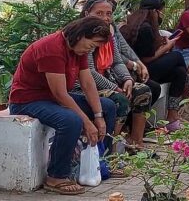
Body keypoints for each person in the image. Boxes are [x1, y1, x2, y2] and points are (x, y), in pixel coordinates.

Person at [8, 17, 118, 195]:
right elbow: (60, 94)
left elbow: (88, 83)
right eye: (92, 44)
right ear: (81, 35)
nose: (92, 49)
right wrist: (87, 123)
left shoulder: (77, 49)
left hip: (51, 98)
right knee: (71, 120)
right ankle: (56, 176)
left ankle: (101, 163)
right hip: (27, 101)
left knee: (108, 107)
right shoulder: (51, 48)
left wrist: (98, 116)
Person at [79, 0, 154, 151]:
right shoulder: (83, 35)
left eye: (108, 14)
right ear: (87, 13)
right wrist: (114, 87)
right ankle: (111, 151)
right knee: (120, 100)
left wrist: (126, 79)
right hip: (84, 86)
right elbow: (89, 72)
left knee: (142, 90)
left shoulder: (109, 32)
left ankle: (135, 142)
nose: (105, 18)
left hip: (108, 78)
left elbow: (117, 61)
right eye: (99, 13)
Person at [120, 0, 189, 132]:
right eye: (161, 11)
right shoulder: (145, 28)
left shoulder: (136, 21)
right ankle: (182, 100)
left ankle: (172, 115)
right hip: (140, 70)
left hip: (144, 67)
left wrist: (161, 43)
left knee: (179, 71)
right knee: (177, 57)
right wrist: (168, 47)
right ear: (155, 11)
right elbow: (146, 58)